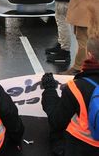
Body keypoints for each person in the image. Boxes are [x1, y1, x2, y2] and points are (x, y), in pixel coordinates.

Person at [41, 10, 99, 156]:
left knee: (55, 133)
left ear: (90, 55)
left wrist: (49, 89)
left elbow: (56, 120)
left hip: (85, 146)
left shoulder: (77, 87)